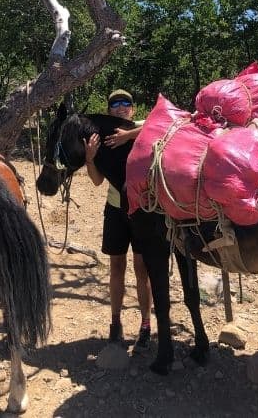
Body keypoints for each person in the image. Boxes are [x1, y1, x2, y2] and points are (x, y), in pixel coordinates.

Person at [84, 89, 153, 353]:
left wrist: (129, 134)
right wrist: (90, 159)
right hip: (114, 209)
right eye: (115, 104)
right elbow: (96, 180)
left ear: (133, 110)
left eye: (126, 103)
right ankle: (115, 322)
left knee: (142, 268)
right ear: (109, 110)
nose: (121, 107)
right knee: (116, 266)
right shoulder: (103, 136)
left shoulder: (142, 128)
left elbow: (163, 122)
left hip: (142, 211)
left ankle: (146, 325)